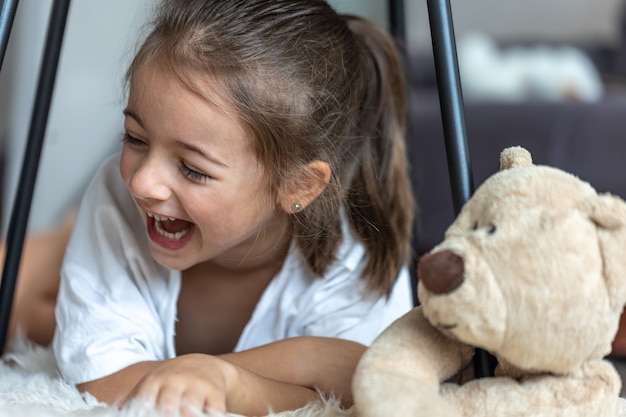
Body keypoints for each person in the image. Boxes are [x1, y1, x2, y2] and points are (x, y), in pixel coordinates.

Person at [51, 0, 416, 415]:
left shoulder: (353, 258)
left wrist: (225, 380)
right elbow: (104, 382)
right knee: (23, 290)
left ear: (297, 185)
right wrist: (305, 360)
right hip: (105, 245)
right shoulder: (118, 198)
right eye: (135, 138)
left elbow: (370, 391)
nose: (142, 182)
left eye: (192, 169)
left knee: (41, 292)